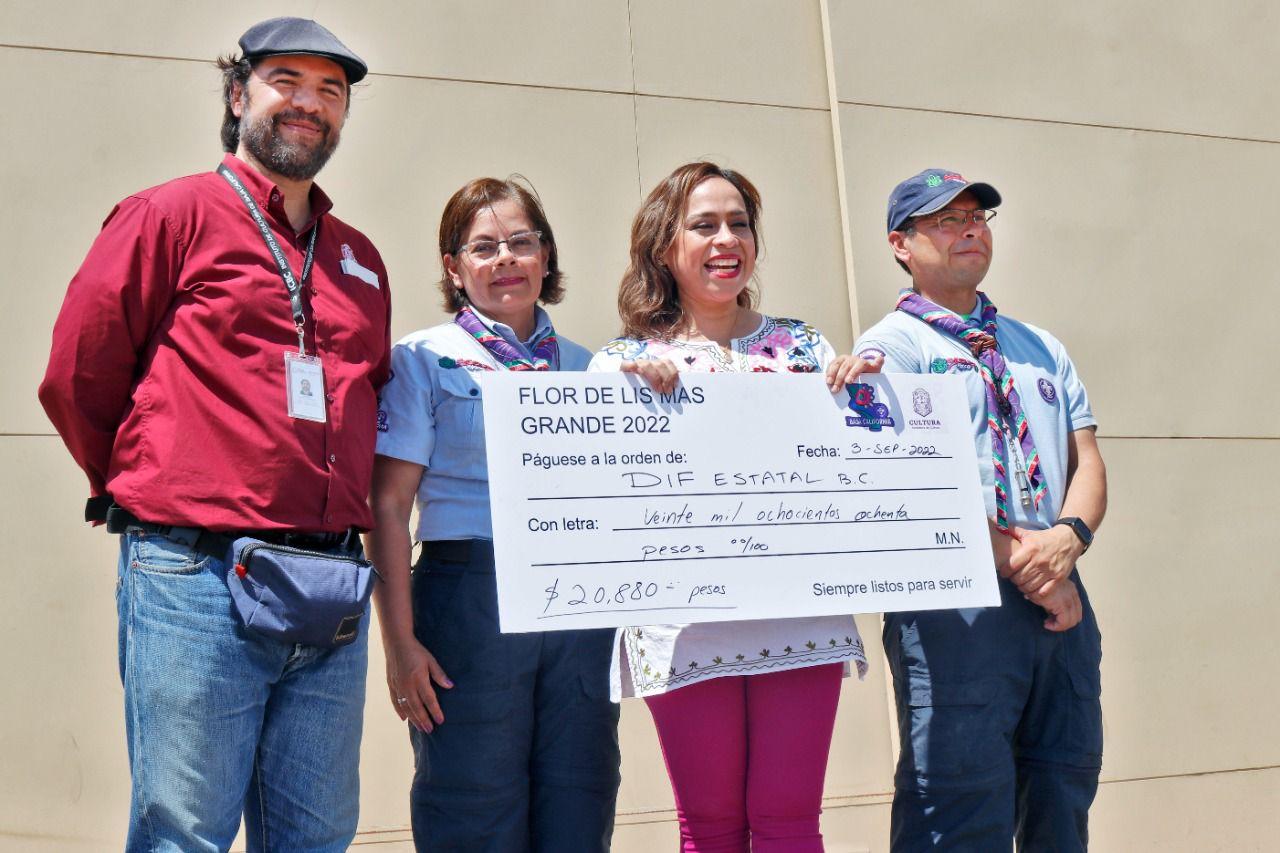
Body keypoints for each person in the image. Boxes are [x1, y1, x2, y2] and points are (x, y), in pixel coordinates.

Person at [37, 17, 390, 852]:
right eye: (286, 83)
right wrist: (150, 487)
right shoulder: (169, 215)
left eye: (329, 92)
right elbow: (78, 375)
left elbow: (368, 402)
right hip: (194, 574)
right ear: (238, 96)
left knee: (316, 836)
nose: (308, 105)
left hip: (330, 584)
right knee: (184, 833)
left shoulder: (359, 259)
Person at [590, 161, 869, 852]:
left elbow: (851, 474)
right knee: (710, 827)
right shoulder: (620, 363)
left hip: (799, 613)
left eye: (739, 224)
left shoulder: (808, 349)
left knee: (789, 822)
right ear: (664, 245)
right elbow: (606, 501)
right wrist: (628, 402)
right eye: (704, 224)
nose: (727, 239)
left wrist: (864, 398)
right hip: (686, 625)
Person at [836, 168, 1107, 851]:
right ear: (901, 243)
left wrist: (1068, 540)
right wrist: (1029, 562)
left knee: (1061, 791)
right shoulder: (891, 351)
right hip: (959, 605)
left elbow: (1088, 461)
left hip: (1059, 597)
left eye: (978, 218)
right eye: (946, 220)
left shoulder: (1041, 346)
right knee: (958, 811)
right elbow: (913, 486)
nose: (969, 230)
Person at [366, 177, 621, 851]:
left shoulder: (589, 368)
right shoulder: (423, 360)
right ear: (454, 267)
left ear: (545, 255)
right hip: (470, 598)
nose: (505, 258)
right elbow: (387, 506)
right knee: (472, 805)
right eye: (483, 247)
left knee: (580, 795)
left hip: (576, 604)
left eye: (521, 241)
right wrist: (399, 645)